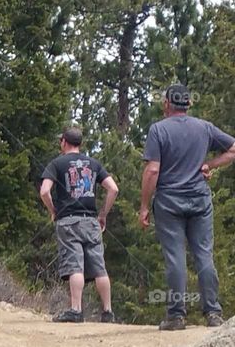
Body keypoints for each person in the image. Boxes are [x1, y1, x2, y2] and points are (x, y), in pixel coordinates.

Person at [140, 84, 235, 330]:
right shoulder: (204, 127)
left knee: (175, 257)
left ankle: (176, 316)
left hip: (169, 201)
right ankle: (213, 313)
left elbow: (152, 170)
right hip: (199, 199)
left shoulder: (158, 129)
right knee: (204, 254)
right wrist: (210, 165)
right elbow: (233, 149)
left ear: (166, 104)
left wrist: (144, 206)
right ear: (188, 104)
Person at [39, 126, 119, 323]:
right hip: (91, 220)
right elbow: (113, 189)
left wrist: (53, 210)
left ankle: (76, 310)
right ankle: (108, 311)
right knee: (99, 267)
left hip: (68, 221)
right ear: (80, 144)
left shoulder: (57, 164)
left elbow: (44, 191)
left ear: (64, 142)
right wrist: (103, 214)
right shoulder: (93, 163)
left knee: (75, 265)